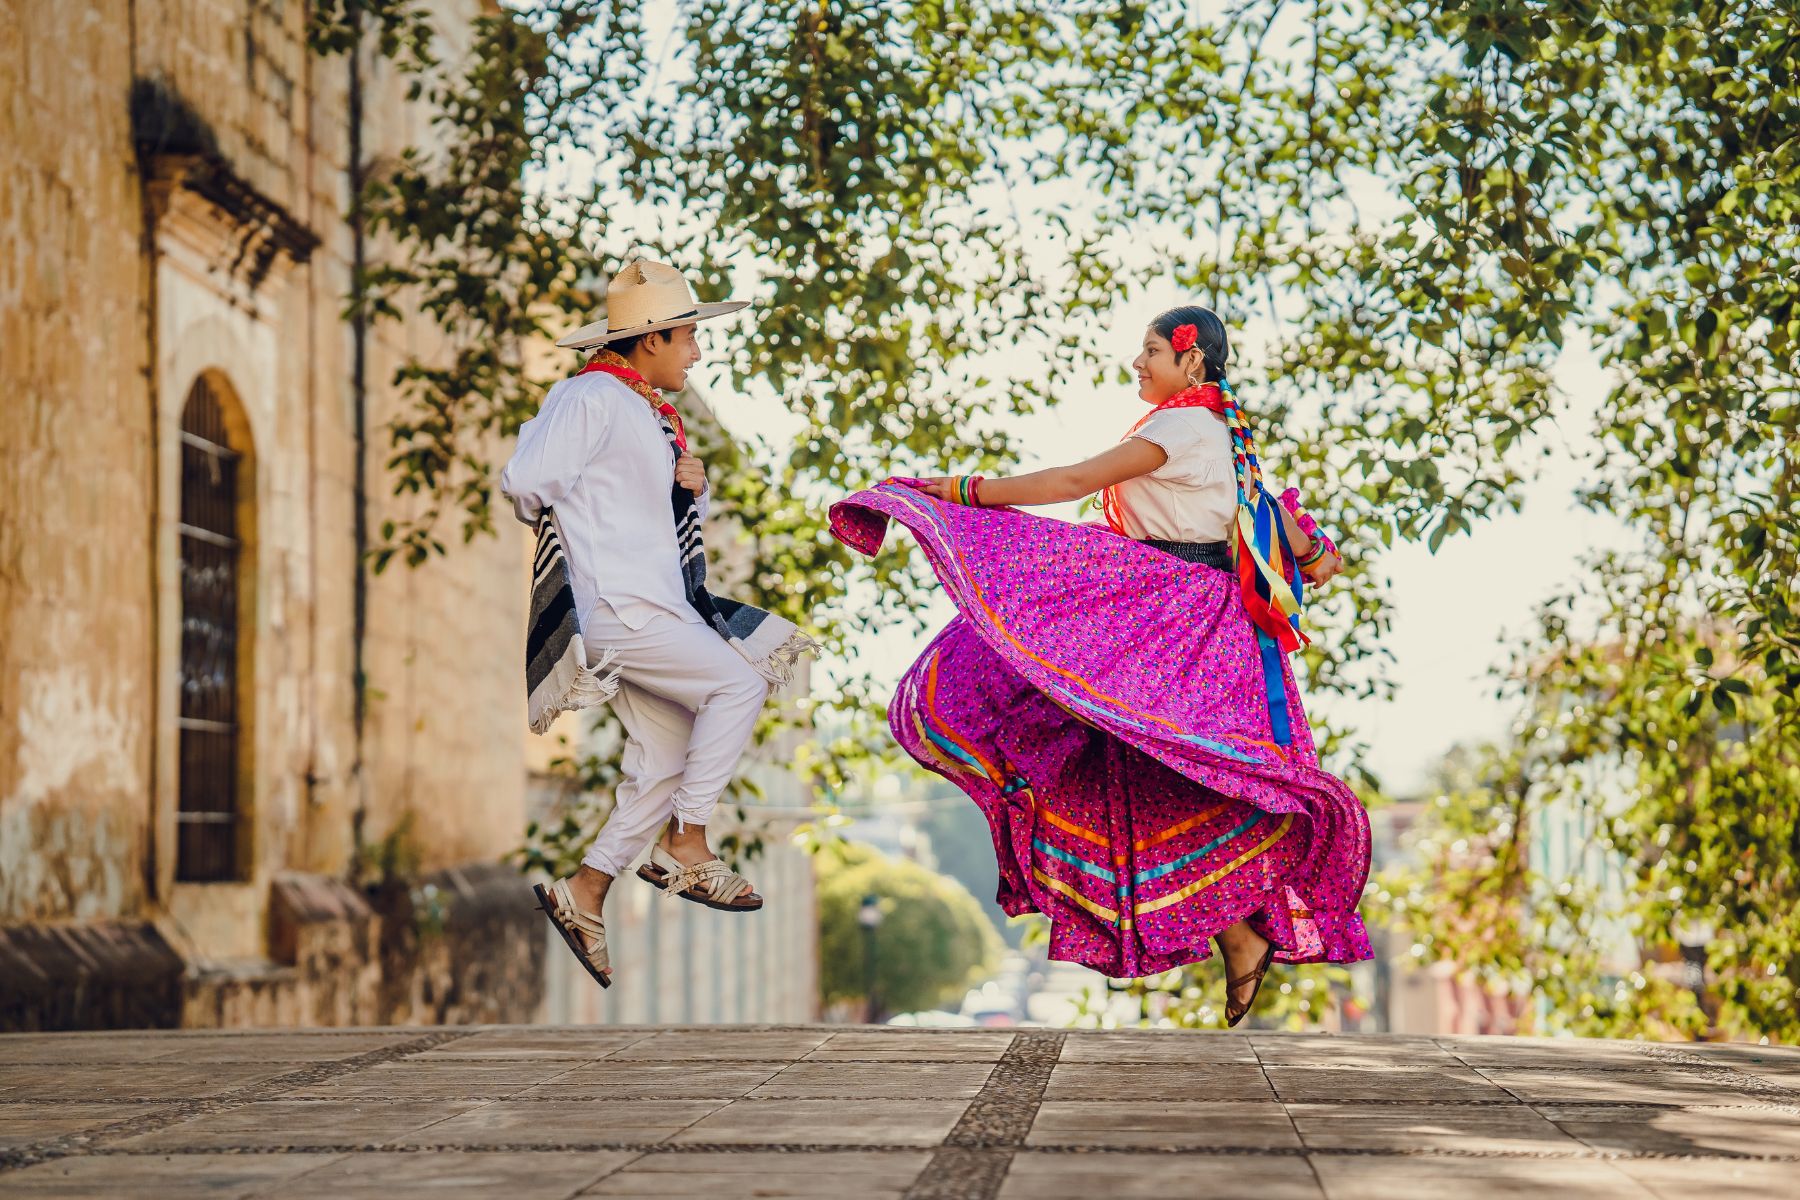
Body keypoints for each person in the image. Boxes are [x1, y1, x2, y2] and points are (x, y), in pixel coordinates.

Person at [829, 306, 1371, 1025]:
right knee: (1161, 775)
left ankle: (1241, 929)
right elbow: (1289, 534)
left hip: (1172, 614)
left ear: (1192, 361)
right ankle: (1239, 932)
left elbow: (1073, 481)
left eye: (1151, 351)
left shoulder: (1184, 427)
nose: (1137, 363)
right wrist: (1316, 551)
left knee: (1144, 757)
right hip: (1190, 618)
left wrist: (961, 491)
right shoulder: (1220, 435)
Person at [502, 259, 814, 988]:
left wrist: (689, 489)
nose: (696, 353)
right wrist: (577, 521)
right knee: (739, 684)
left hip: (651, 607)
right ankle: (688, 842)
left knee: (665, 760)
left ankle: (587, 889)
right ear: (651, 340)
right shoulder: (590, 398)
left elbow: (643, 514)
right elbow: (525, 482)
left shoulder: (643, 412)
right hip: (622, 608)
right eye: (688, 338)